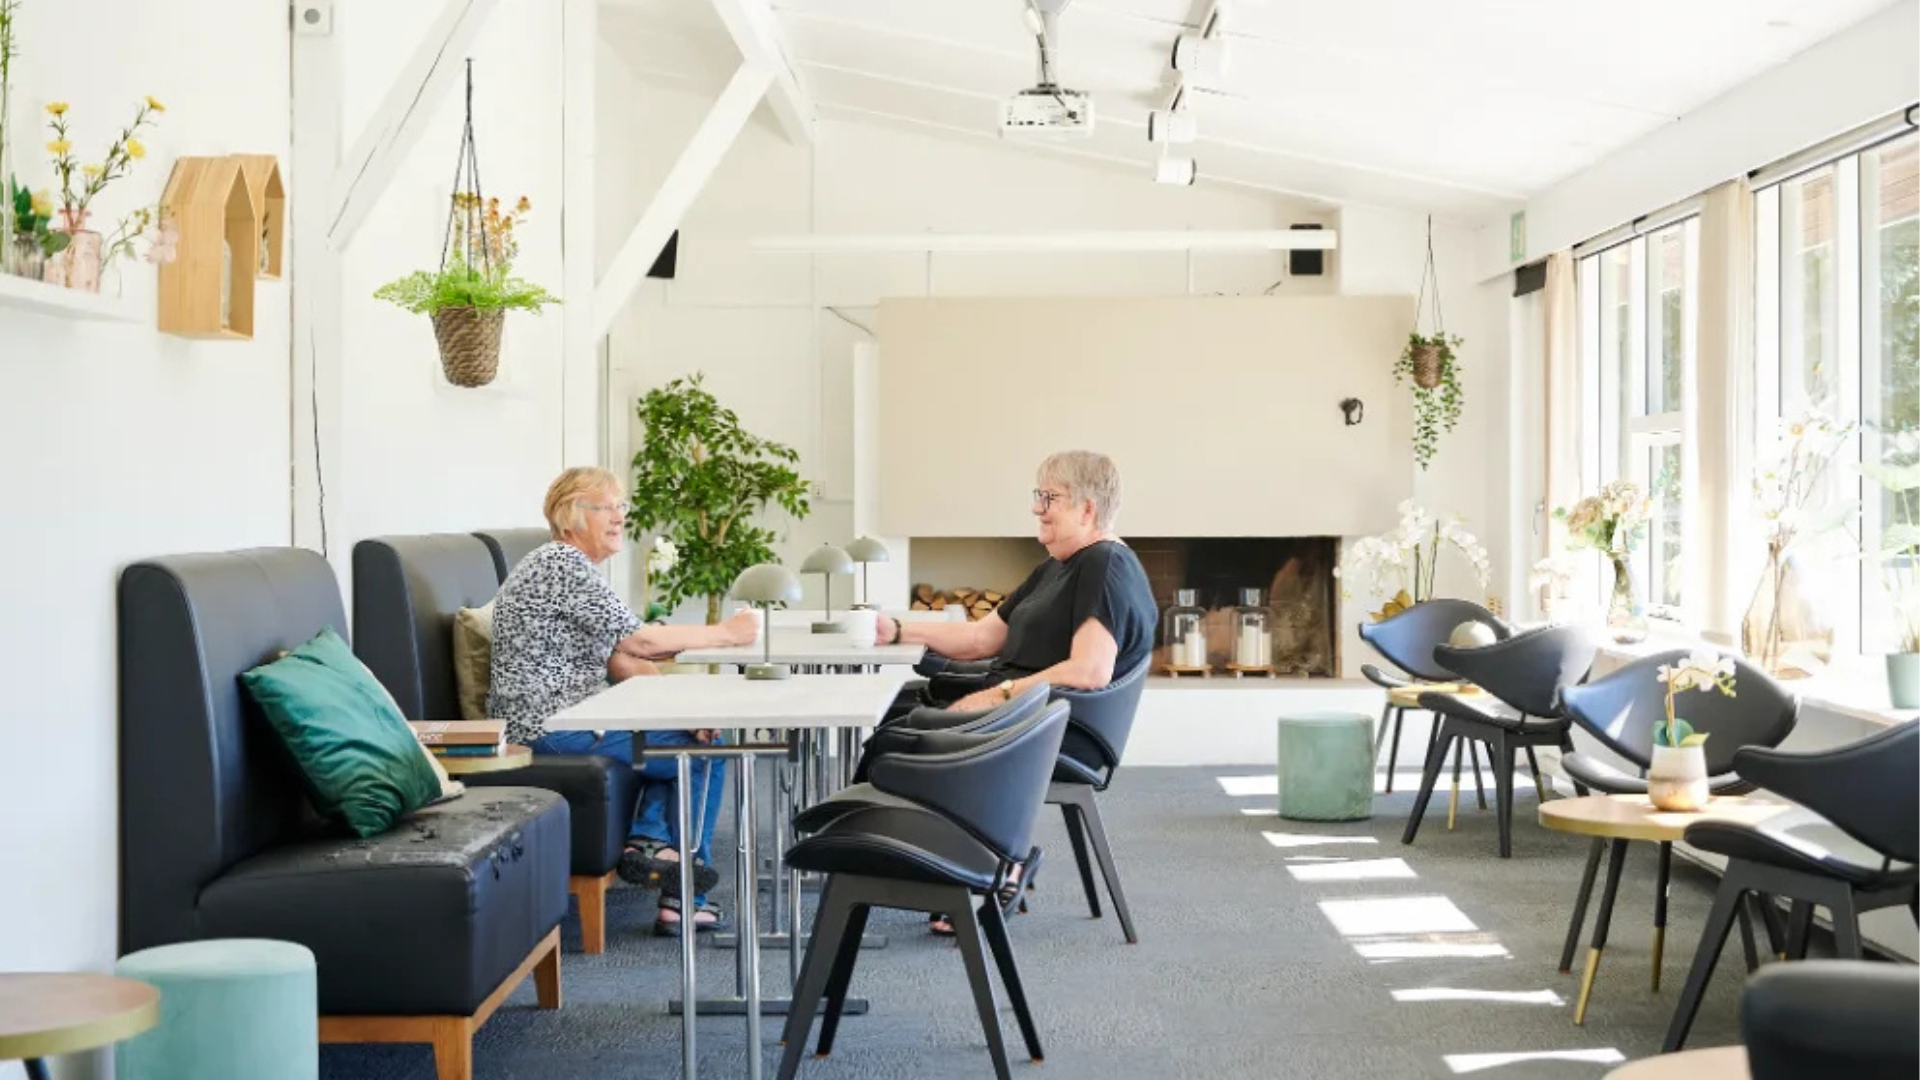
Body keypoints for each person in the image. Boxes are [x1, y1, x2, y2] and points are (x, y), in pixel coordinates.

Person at [868, 450, 1156, 932]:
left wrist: (996, 697)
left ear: (1087, 508)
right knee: (900, 707)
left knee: (913, 730)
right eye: (1037, 495)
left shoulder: (1105, 566)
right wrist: (896, 628)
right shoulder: (1057, 567)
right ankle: (968, 860)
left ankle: (986, 863)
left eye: (1049, 498)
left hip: (1058, 726)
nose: (1036, 508)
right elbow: (981, 639)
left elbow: (1089, 670)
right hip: (1028, 710)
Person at [488, 466, 758, 934]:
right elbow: (641, 641)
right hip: (547, 729)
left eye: (621, 507)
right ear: (572, 517)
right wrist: (727, 634)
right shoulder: (560, 565)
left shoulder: (568, 568)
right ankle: (684, 894)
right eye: (608, 507)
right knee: (706, 750)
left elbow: (623, 656)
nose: (620, 517)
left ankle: (651, 843)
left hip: (570, 719)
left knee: (686, 736)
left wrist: (686, 714)